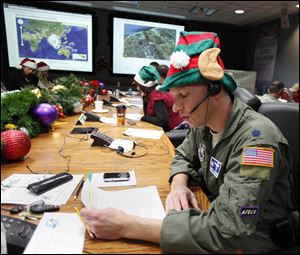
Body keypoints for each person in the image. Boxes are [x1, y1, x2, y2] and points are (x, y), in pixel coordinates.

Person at [80, 31, 295, 253]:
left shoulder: (257, 143)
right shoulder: (203, 123)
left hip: (254, 236)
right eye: (175, 97)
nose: (175, 108)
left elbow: (228, 230)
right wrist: (179, 184)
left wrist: (127, 226)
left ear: (215, 90)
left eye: (183, 96)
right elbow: (182, 154)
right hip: (215, 214)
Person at [131, 65, 183, 131]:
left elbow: (162, 122)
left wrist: (143, 118)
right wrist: (144, 96)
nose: (137, 88)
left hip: (174, 133)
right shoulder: (152, 93)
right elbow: (147, 114)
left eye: (138, 85)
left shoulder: (157, 94)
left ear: (143, 85)